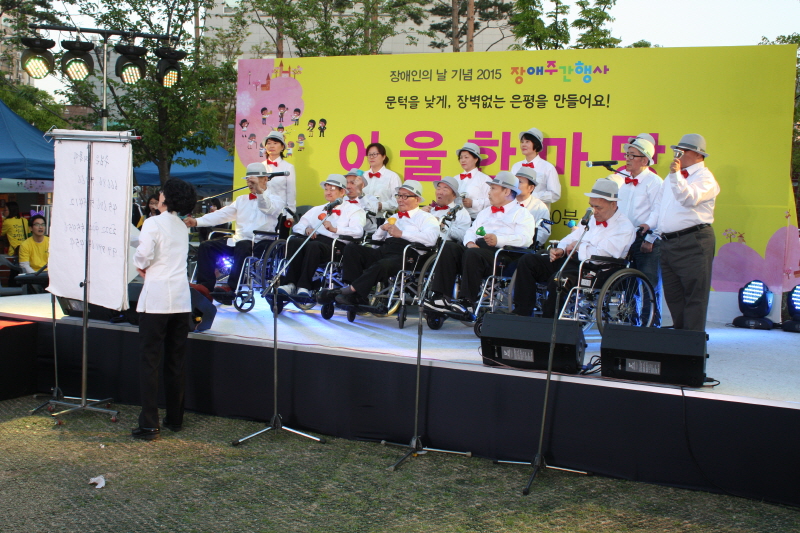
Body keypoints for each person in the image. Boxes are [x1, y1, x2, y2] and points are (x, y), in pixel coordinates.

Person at [131, 178, 198, 441]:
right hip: (180, 300)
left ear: (166, 198)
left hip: (157, 299)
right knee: (175, 361)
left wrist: (139, 264)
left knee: (149, 361)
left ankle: (149, 424)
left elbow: (143, 256)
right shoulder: (182, 227)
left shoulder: (153, 223)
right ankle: (175, 417)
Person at [513, 179, 636, 318]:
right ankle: (522, 313)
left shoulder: (624, 227)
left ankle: (549, 323)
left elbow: (600, 255)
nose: (594, 211)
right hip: (574, 261)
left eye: (598, 207)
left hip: (599, 270)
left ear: (613, 204)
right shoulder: (591, 218)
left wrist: (577, 245)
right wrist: (561, 249)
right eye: (591, 206)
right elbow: (572, 237)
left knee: (559, 280)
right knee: (528, 261)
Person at [426, 171, 536, 315]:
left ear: (507, 191)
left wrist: (499, 240)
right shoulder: (485, 212)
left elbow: (526, 239)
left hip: (501, 254)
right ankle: (440, 297)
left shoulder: (522, 214)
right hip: (476, 249)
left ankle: (467, 302)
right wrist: (470, 242)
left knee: (473, 254)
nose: (489, 193)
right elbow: (471, 231)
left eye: (493, 188)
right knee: (448, 247)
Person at [645, 134, 720, 331]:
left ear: (697, 154)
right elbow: (660, 207)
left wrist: (677, 175)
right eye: (676, 152)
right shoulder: (671, 178)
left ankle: (692, 340)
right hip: (668, 242)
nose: (677, 156)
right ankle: (680, 337)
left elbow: (688, 199)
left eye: (682, 152)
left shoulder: (705, 178)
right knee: (673, 294)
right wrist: (649, 228)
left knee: (695, 294)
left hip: (693, 240)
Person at [326, 180, 439, 307]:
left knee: (383, 264)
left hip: (407, 254)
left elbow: (431, 239)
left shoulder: (427, 218)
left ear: (417, 199)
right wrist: (381, 229)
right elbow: (375, 243)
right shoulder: (394, 217)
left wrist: (402, 233)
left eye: (405, 196)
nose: (400, 200)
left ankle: (350, 292)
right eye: (399, 196)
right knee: (352, 248)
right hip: (386, 249)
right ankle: (355, 294)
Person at [185, 163, 285, 299]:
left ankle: (231, 288)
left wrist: (259, 191)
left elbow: (267, 208)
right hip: (239, 241)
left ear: (265, 179)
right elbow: (222, 215)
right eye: (248, 180)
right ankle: (205, 287)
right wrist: (197, 221)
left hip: (261, 242)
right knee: (206, 246)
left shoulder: (276, 199)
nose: (250, 184)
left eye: (254, 180)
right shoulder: (241, 200)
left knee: (243, 245)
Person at [277, 174, 366, 298]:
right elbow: (297, 226)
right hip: (314, 240)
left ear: (342, 192)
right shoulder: (317, 209)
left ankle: (304, 286)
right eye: (326, 189)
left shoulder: (354, 210)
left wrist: (335, 229)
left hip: (336, 245)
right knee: (294, 241)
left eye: (332, 189)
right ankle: (290, 283)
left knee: (313, 246)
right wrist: (306, 229)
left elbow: (358, 232)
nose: (328, 192)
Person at [614, 137, 664, 325]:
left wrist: (650, 238)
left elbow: (659, 212)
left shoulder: (655, 182)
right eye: (626, 155)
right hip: (627, 239)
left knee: (649, 284)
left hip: (647, 238)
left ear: (644, 160)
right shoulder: (624, 183)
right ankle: (630, 322)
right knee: (629, 282)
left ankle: (651, 325)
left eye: (632, 156)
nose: (627, 159)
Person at [510, 128, 560, 209]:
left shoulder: (547, 167)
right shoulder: (516, 166)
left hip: (537, 211)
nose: (523, 145)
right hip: (516, 211)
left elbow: (555, 194)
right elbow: (510, 189)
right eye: (522, 142)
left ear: (536, 144)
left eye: (527, 141)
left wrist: (529, 196)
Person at [420, 175, 472, 242]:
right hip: (421, 241)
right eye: (438, 189)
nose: (440, 192)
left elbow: (463, 236)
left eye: (445, 190)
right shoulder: (429, 209)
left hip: (444, 244)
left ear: (454, 195)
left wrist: (443, 226)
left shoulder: (461, 212)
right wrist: (420, 215)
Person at [261, 131, 297, 219]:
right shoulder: (260, 166)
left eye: (275, 143)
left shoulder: (288, 167)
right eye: (269, 143)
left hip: (281, 213)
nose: (271, 146)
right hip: (262, 213)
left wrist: (290, 214)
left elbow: (291, 192)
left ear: (282, 147)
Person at [453, 142, 492, 219]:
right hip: (456, 220)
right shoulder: (455, 179)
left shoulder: (485, 179)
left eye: (466, 157)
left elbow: (492, 200)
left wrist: (473, 203)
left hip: (476, 220)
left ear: (476, 159)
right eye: (461, 157)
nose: (463, 160)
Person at [514, 168, 551, 247]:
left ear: (530, 188)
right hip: (502, 244)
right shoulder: (505, 201)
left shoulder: (540, 207)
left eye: (519, 182)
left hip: (526, 248)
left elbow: (543, 233)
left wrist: (525, 243)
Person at [362, 142, 402, 216]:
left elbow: (398, 200)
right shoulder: (362, 176)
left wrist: (381, 205)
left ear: (383, 157)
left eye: (375, 154)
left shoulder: (392, 176)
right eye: (369, 154)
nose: (371, 157)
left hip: (384, 218)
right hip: (363, 217)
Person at [344, 168, 380, 234]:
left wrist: (360, 194)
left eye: (353, 183)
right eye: (346, 183)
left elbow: (372, 211)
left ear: (362, 185)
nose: (348, 186)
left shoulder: (371, 198)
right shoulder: (342, 200)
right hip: (344, 233)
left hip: (366, 235)